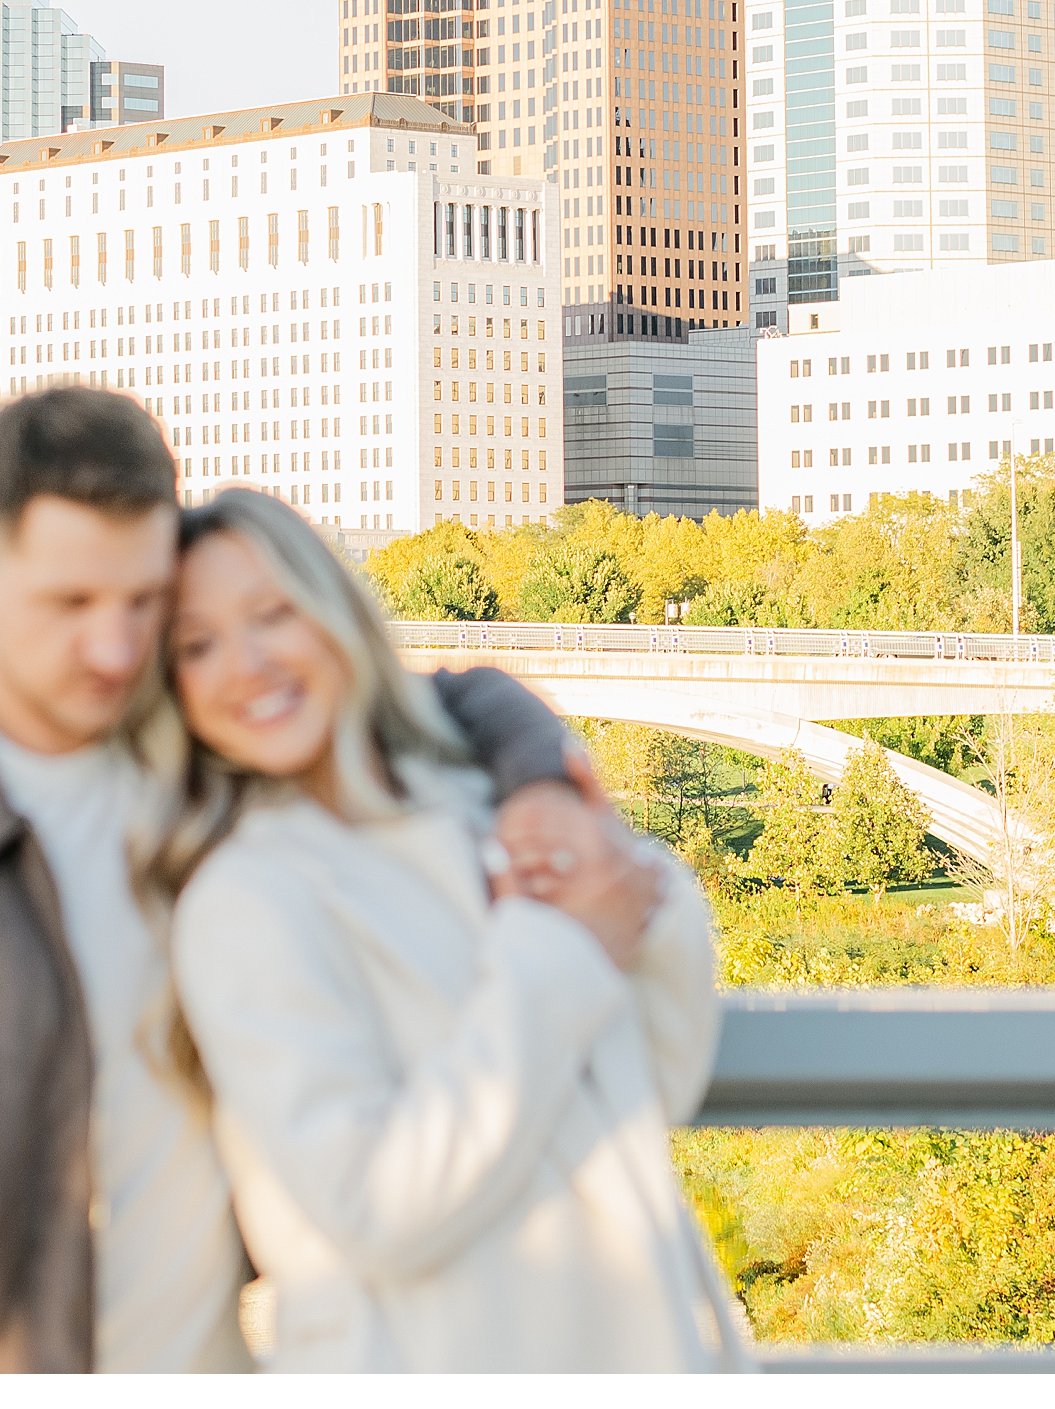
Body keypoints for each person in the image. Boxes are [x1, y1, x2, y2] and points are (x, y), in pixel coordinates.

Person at [0, 387, 612, 1372]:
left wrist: (539, 781)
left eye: (143, 600)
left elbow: (442, 695)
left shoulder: (209, 746)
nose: (113, 648)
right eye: (69, 603)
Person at [139, 488, 754, 1372]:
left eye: (272, 614)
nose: (244, 663)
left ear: (335, 612)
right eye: (197, 645)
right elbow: (368, 1202)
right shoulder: (240, 898)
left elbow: (658, 1076)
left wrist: (635, 895)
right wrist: (564, 949)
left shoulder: (472, 807)